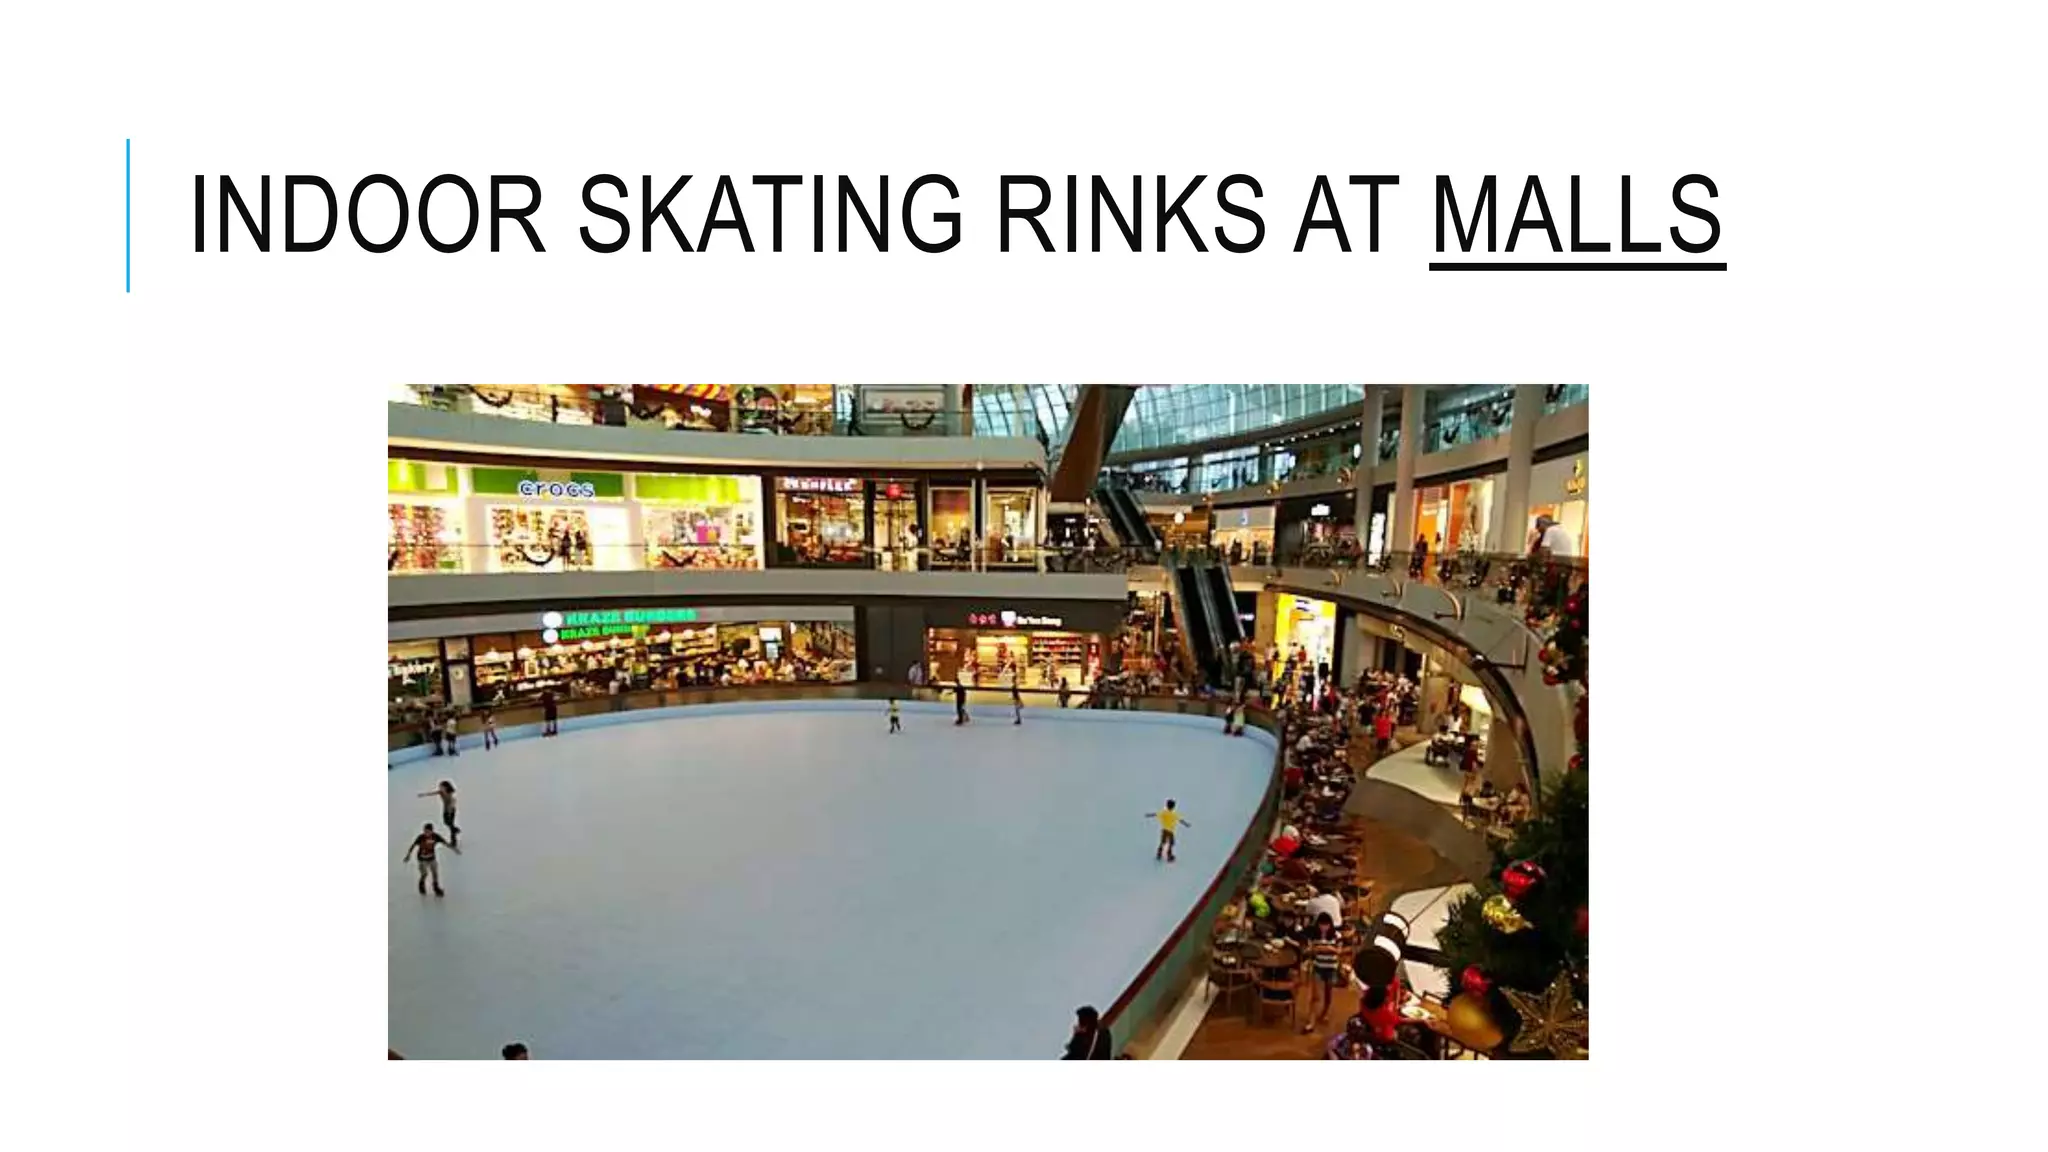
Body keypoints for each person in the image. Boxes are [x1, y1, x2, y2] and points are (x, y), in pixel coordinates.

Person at [1304, 914, 1345, 1032]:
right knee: (1315, 995)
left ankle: (1325, 1012)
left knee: (1328, 992)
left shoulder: (1337, 936)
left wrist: (1330, 949)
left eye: (1326, 925)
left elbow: (1339, 951)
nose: (1323, 927)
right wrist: (1314, 949)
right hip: (1318, 967)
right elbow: (1308, 949)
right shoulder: (1314, 936)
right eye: (1321, 925)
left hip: (1331, 968)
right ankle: (1311, 1021)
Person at [403, 822, 456, 896]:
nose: (426, 833)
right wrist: (408, 855)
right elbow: (413, 846)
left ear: (432, 831)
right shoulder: (421, 837)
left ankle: (436, 888)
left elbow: (444, 842)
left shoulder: (435, 837)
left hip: (431, 858)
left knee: (435, 873)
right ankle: (421, 885)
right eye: (425, 831)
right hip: (422, 859)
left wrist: (453, 849)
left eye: (428, 831)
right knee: (424, 874)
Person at [417, 780, 459, 847]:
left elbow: (452, 802)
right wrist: (423, 794)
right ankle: (455, 829)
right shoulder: (441, 792)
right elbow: (432, 793)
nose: (439, 788)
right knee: (446, 823)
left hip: (451, 810)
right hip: (445, 810)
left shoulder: (450, 794)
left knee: (450, 825)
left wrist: (449, 812)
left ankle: (454, 842)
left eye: (441, 786)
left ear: (445, 787)